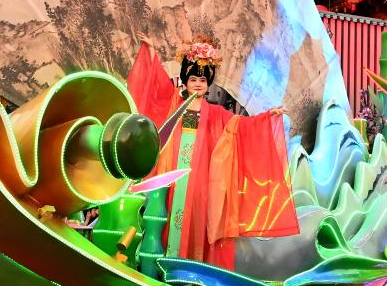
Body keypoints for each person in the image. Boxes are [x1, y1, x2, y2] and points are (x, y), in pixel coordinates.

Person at [127, 33, 297, 270]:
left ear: (208, 83)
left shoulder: (216, 114)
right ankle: (163, 268)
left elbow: (242, 126)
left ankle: (191, 271)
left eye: (202, 80)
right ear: (185, 81)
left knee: (197, 220)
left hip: (200, 180)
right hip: (173, 175)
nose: (198, 83)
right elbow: (157, 85)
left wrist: (267, 117)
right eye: (193, 79)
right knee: (168, 217)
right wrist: (152, 51)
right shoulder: (175, 104)